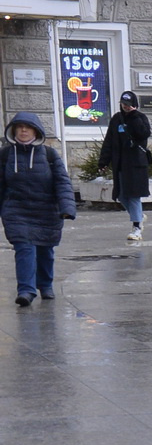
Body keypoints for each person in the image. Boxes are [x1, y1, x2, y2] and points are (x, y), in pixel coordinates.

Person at [1, 112, 77, 305]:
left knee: (45, 250)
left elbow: (62, 182)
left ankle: (45, 285)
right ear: (13, 130)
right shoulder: (6, 154)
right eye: (19, 127)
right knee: (24, 248)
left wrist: (67, 207)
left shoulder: (49, 154)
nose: (23, 130)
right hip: (17, 210)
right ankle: (26, 290)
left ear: (36, 130)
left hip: (46, 210)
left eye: (27, 127)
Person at [99, 91, 152, 243]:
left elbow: (144, 133)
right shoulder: (117, 119)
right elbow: (109, 141)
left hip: (136, 164)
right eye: (124, 104)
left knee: (133, 194)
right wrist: (103, 161)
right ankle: (139, 216)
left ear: (134, 105)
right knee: (121, 195)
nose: (126, 107)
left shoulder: (140, 118)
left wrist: (134, 117)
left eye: (129, 105)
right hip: (121, 164)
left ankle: (137, 227)